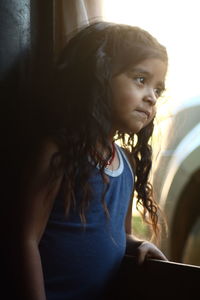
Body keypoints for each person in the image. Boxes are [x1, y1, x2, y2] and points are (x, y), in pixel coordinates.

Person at [8, 21, 168, 300]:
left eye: (158, 89)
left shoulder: (126, 163)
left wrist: (139, 245)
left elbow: (118, 236)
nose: (152, 98)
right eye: (141, 80)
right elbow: (25, 239)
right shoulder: (58, 153)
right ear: (99, 77)